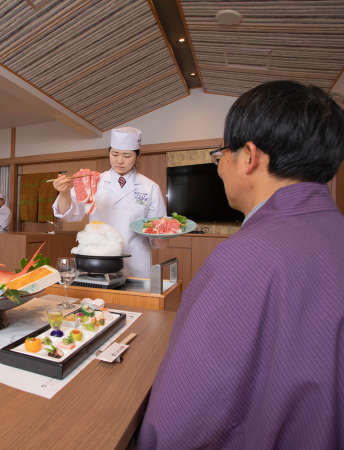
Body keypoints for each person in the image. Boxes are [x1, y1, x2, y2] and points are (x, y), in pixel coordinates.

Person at [137, 81, 344, 449]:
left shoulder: (247, 256)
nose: (220, 169)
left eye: (221, 156)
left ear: (250, 156)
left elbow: (187, 411)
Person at [52, 127, 166, 277]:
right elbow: (70, 214)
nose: (120, 160)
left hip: (135, 260)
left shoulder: (150, 187)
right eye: (115, 154)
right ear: (109, 153)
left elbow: (158, 232)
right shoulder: (94, 181)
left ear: (137, 156)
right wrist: (64, 192)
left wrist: (164, 237)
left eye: (127, 155)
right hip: (100, 260)